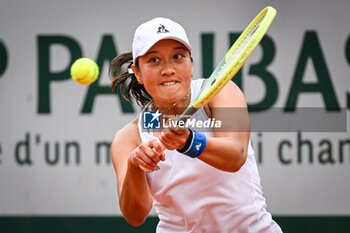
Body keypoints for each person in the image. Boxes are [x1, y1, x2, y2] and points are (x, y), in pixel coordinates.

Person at [110, 17, 282, 233]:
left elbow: (236, 155)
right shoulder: (129, 138)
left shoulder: (220, 92)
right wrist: (135, 166)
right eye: (154, 60)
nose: (168, 69)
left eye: (177, 57)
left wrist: (189, 141)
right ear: (138, 73)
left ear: (191, 63)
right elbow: (135, 216)